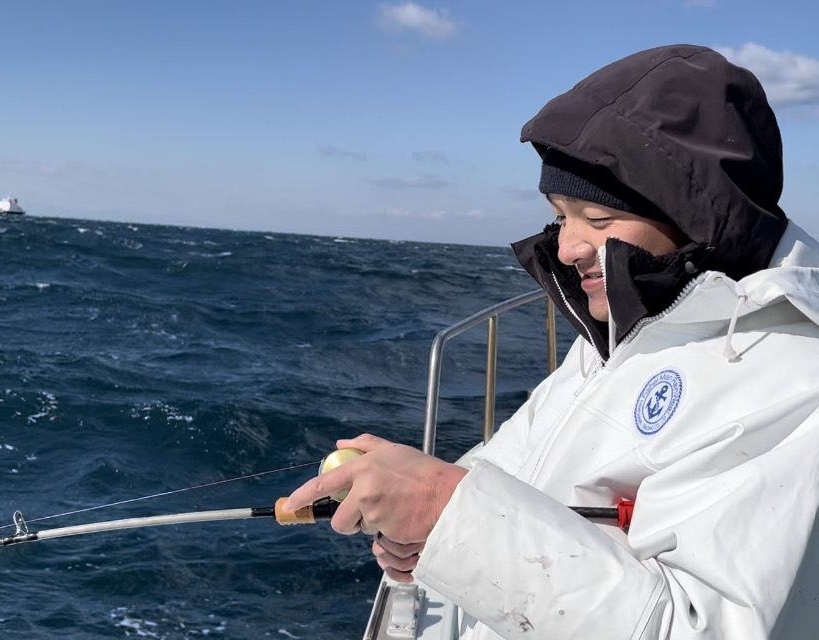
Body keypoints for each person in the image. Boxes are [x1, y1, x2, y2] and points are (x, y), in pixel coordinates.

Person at [283, 44, 819, 639]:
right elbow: (519, 465)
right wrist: (433, 522)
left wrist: (447, 511)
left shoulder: (798, 381)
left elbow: (696, 627)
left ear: (694, 220)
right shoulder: (628, 326)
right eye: (562, 214)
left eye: (598, 217)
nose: (566, 247)